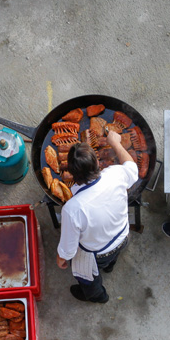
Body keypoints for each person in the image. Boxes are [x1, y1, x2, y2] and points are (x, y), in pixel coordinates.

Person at [56, 129, 137, 303]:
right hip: (123, 237)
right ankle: (110, 266)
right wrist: (116, 143)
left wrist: (60, 258)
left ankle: (98, 296)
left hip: (98, 254)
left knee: (87, 279)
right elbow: (132, 167)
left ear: (72, 175)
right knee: (112, 258)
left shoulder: (72, 209)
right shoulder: (116, 174)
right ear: (98, 164)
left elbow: (69, 250)